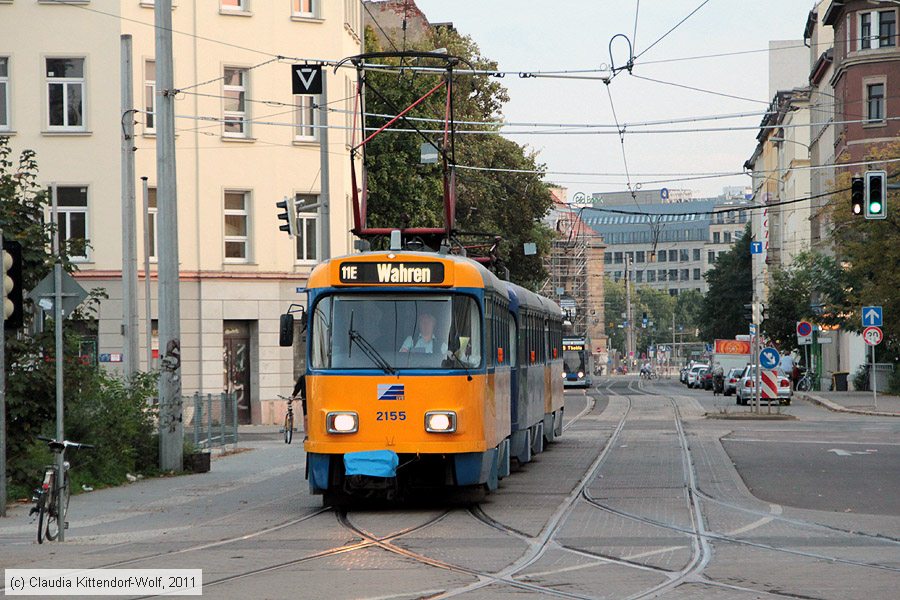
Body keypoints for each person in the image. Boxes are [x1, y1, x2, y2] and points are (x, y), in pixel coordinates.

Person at [291, 374, 308, 438]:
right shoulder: (303, 377)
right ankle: (307, 435)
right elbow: (297, 388)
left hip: (315, 400)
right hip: (305, 400)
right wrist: (293, 396)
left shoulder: (317, 377)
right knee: (306, 418)